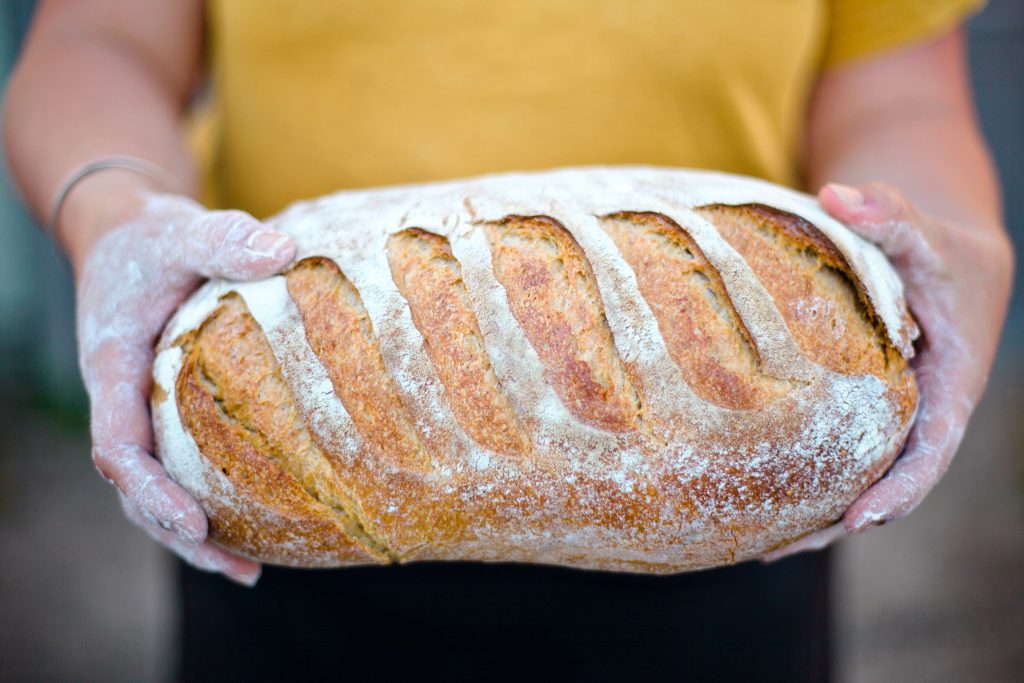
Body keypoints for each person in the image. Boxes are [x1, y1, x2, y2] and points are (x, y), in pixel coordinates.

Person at [4, 1, 1014, 681]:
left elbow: (898, 93)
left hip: (724, 503)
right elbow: (100, 37)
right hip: (287, 462)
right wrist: (116, 207)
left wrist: (931, 229)